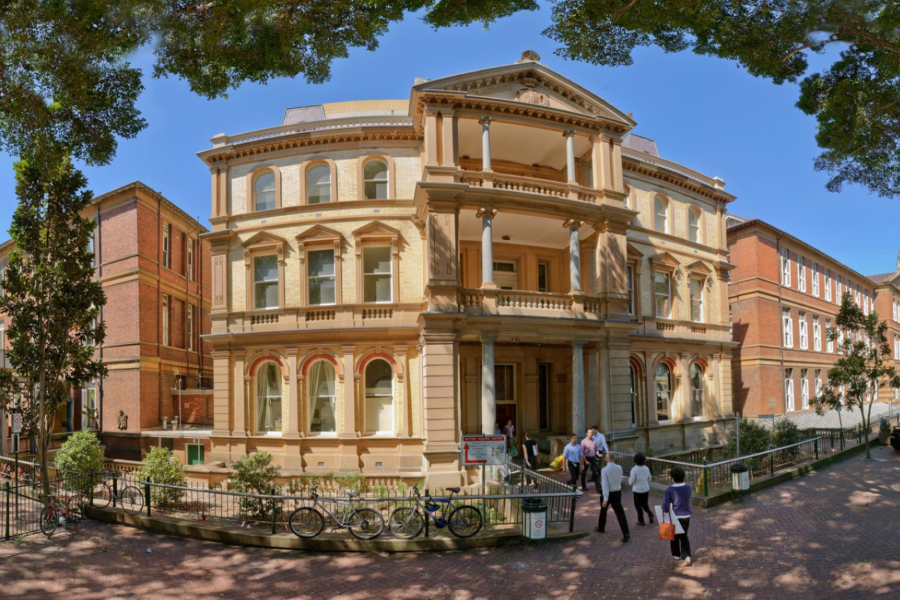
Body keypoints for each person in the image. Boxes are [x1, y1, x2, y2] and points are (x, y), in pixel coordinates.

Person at [662, 467, 693, 566]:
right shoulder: (688, 487)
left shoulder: (669, 490)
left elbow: (665, 507)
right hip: (686, 515)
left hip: (674, 516)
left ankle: (676, 554)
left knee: (673, 535)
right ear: (683, 477)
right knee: (684, 536)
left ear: (672, 478)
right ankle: (687, 556)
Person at [596, 452, 630, 542]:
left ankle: (601, 527)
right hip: (617, 492)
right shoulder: (619, 467)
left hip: (609, 492)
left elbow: (605, 485)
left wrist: (605, 499)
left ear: (607, 459)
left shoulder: (604, 470)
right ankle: (626, 533)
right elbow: (620, 478)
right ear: (613, 458)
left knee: (603, 510)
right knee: (620, 513)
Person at [629, 452, 654, 526]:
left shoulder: (634, 469)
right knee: (645, 504)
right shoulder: (646, 468)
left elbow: (631, 481)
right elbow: (650, 478)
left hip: (637, 490)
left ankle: (641, 520)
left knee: (637, 505)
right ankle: (650, 514)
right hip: (645, 489)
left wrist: (630, 481)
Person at [580, 428, 600, 492]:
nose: (591, 434)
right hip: (586, 458)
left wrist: (598, 454)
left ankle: (598, 489)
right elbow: (582, 453)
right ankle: (583, 486)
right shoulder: (583, 442)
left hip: (593, 458)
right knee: (583, 473)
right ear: (586, 433)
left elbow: (596, 450)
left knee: (596, 473)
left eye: (591, 432)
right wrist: (584, 462)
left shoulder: (594, 441)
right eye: (589, 432)